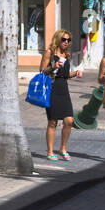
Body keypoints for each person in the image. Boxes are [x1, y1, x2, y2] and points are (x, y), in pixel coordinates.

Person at [39, 29, 82, 161]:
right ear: (58, 39)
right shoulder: (50, 53)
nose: (66, 42)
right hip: (51, 88)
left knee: (69, 121)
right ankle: (50, 151)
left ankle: (63, 148)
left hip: (63, 89)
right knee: (53, 122)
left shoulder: (67, 55)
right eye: (64, 39)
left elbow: (65, 75)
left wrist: (75, 73)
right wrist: (53, 66)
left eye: (68, 40)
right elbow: (41, 71)